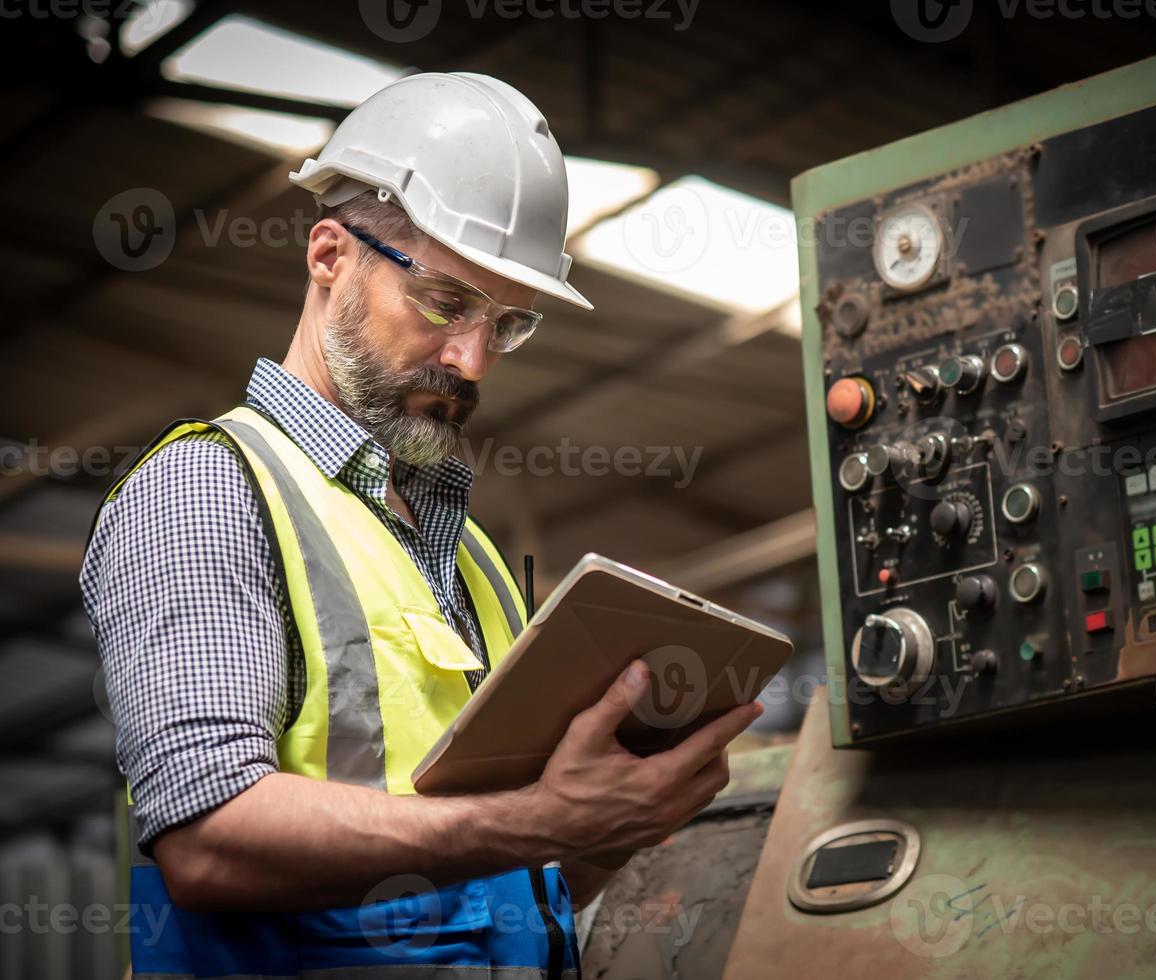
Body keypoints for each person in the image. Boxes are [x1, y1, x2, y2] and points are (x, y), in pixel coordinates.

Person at [80, 71, 761, 979]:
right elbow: (206, 838)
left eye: (507, 324)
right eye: (444, 303)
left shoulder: (470, 556)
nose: (471, 358)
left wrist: (613, 824)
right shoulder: (208, 490)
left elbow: (499, 888)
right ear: (330, 255)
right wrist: (542, 821)